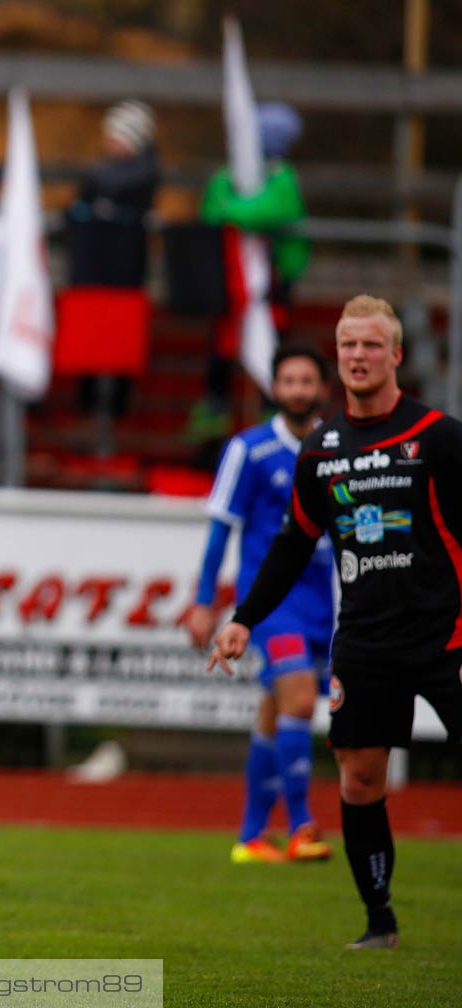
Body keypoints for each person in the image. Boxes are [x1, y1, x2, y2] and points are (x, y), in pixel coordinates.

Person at [211, 296, 462, 950]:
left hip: (447, 636)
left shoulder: (439, 435)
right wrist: (244, 619)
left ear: (396, 355)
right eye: (348, 344)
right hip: (365, 642)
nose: (357, 355)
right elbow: (294, 541)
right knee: (359, 779)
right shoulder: (321, 449)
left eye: (371, 344)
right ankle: (379, 922)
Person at [185, 343, 336, 865]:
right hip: (269, 601)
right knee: (297, 701)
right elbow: (219, 529)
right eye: (289, 381)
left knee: (277, 709)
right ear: (275, 388)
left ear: (322, 389)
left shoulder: (335, 450)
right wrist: (205, 602)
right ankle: (300, 827)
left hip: (322, 600)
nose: (297, 390)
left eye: (307, 381)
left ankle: (250, 836)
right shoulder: (248, 450)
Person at [192, 102, 311, 441]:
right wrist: (241, 209)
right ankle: (211, 437)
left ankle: (274, 429)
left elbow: (271, 210)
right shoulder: (230, 176)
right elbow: (212, 209)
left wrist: (237, 209)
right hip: (230, 287)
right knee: (221, 358)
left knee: (271, 355)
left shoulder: (282, 178)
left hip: (272, 288)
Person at [65, 100, 160, 418]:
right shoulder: (107, 171)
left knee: (120, 341)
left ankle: (115, 407)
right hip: (92, 269)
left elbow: (109, 183)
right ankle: (88, 401)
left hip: (122, 272)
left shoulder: (144, 171)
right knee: (88, 337)